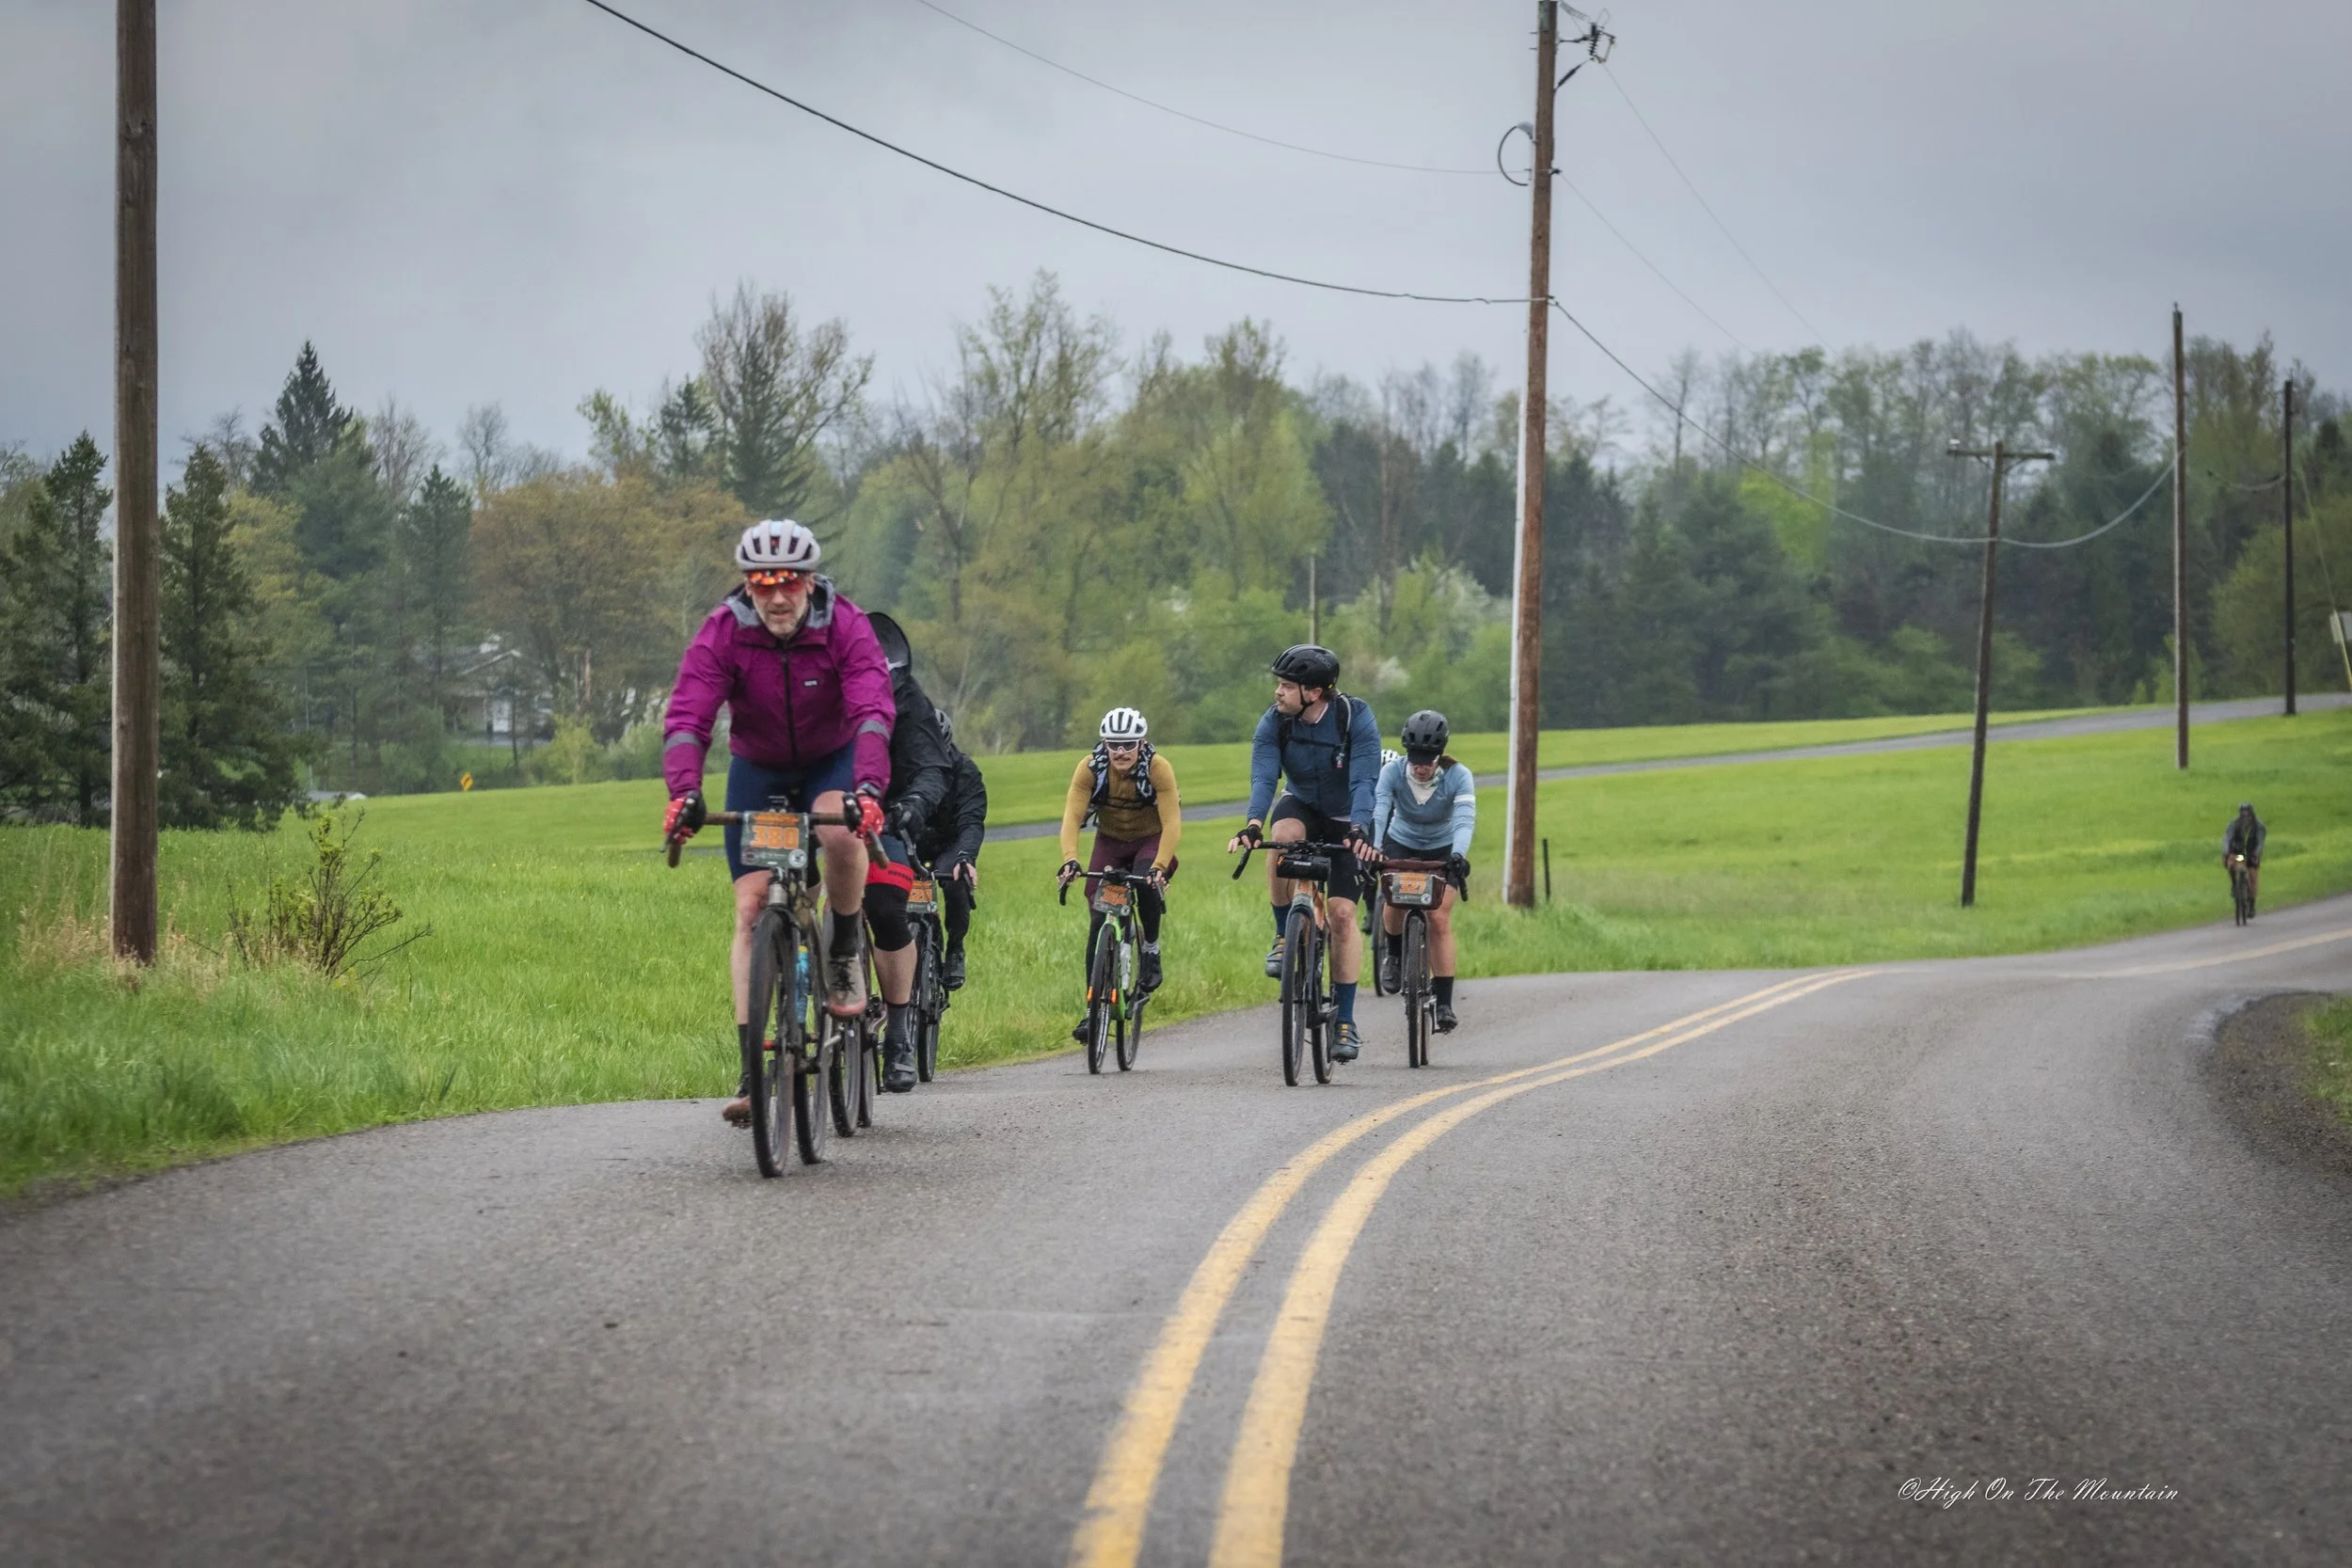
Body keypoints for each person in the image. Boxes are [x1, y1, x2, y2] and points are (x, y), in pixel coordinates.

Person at [660, 519, 894, 1125]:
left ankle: (843, 945)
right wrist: (684, 793)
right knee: (750, 907)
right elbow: (689, 715)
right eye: (764, 585)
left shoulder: (845, 624)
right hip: (759, 768)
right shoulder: (724, 631)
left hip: (830, 759)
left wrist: (867, 787)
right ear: (747, 585)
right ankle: (751, 1069)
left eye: (790, 582)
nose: (778, 597)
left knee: (837, 827)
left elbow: (872, 706)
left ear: (811, 581)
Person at [1226, 644, 1382, 1062]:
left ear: (1312, 692)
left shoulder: (1355, 718)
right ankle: (1284, 934)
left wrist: (1359, 828)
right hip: (1301, 803)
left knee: (1344, 915)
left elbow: (1366, 780)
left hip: (1348, 816)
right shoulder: (1275, 722)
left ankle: (1345, 1020)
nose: (1277, 693)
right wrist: (1253, 823)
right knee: (1281, 835)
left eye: (1286, 686)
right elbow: (1264, 776)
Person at [862, 612, 954, 1093]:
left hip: (888, 816)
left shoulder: (906, 696)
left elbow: (932, 768)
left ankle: (898, 1035)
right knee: (789, 890)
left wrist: (914, 804)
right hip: (827, 808)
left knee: (885, 908)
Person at [1057, 706, 1182, 1044]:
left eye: (1128, 744)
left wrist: (1160, 866)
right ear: (1105, 745)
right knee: (1099, 920)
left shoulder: (1158, 768)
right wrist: (1070, 860)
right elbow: (1072, 816)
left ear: (1142, 742)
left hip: (1150, 840)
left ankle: (1151, 949)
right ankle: (1091, 1010)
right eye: (1114, 745)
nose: (1121, 752)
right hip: (1110, 841)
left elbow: (1171, 822)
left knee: (1145, 884)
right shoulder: (1089, 769)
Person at [1372, 709, 1475, 1033]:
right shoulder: (1392, 772)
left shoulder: (1458, 775)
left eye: (1428, 760)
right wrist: (1374, 848)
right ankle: (1394, 955)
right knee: (1395, 901)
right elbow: (1379, 810)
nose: (1420, 767)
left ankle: (1443, 1001)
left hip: (1444, 848)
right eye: (1415, 758)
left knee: (1439, 917)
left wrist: (1458, 854)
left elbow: (1463, 819)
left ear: (1440, 754)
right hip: (1401, 843)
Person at [919, 707, 988, 992]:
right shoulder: (903, 765)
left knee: (954, 878)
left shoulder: (966, 771)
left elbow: (971, 821)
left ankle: (955, 948)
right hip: (915, 836)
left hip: (950, 841)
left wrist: (966, 856)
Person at [2223, 801, 2266, 913]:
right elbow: (2227, 838)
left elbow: (2260, 842)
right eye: (2243, 814)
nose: (2245, 817)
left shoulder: (2259, 826)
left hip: (2251, 853)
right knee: (2231, 864)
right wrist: (2226, 851)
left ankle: (2251, 902)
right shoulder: (2234, 824)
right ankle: (2235, 884)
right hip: (2239, 853)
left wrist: (2257, 853)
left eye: (2247, 814)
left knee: (2253, 878)